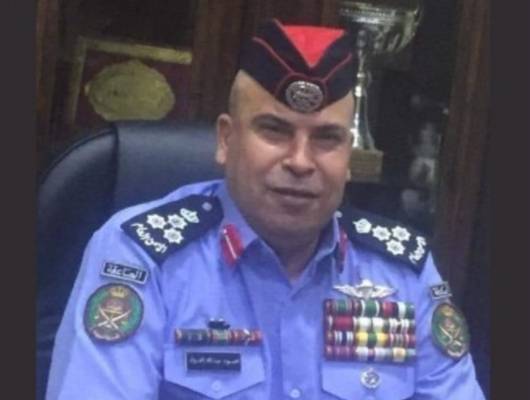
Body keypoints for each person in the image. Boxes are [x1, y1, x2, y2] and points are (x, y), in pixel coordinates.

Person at [46, 19, 485, 399]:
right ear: (226, 140)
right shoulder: (142, 257)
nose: (300, 161)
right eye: (275, 131)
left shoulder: (402, 272)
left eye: (326, 139)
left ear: (348, 156)